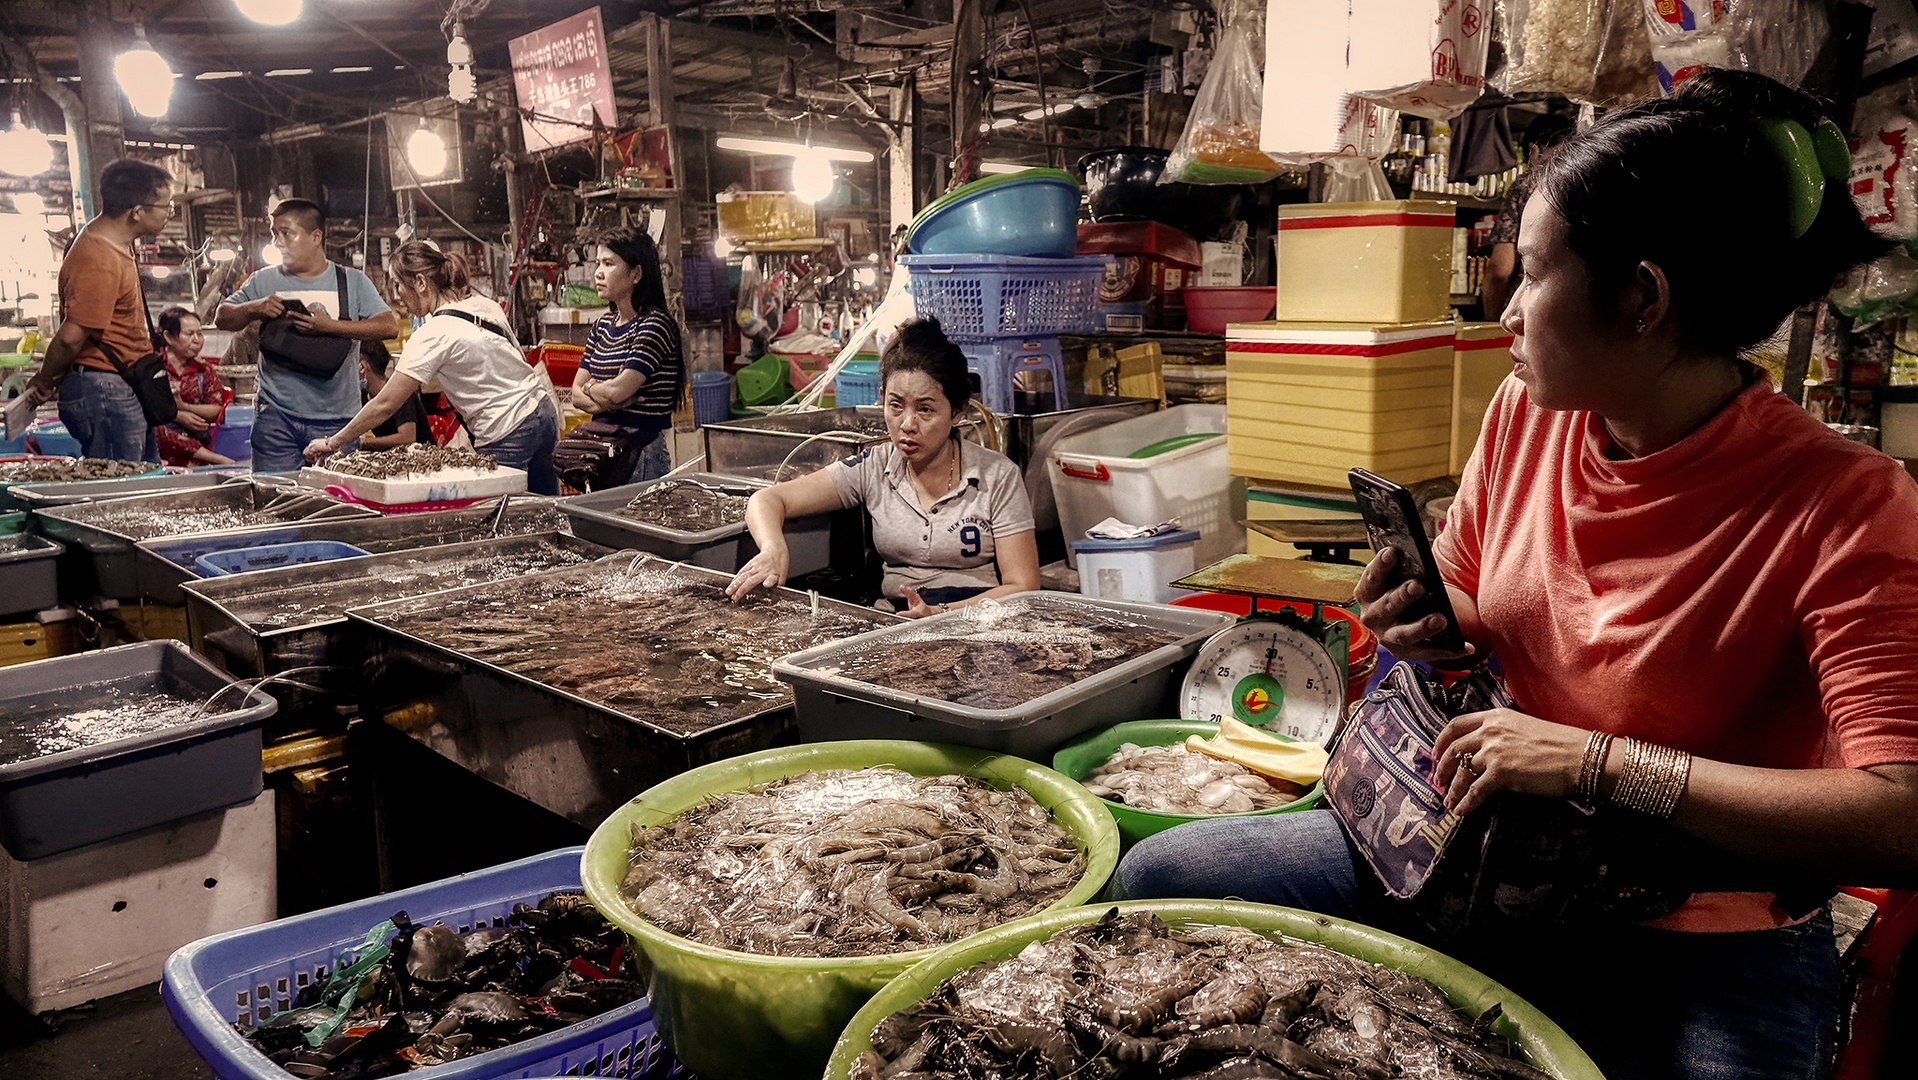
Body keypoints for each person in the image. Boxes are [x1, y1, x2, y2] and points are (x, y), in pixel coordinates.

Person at [1116, 68, 1918, 1080]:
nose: (1508, 311)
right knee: (1157, 877)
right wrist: (1422, 611)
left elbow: (1899, 816)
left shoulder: (1847, 503)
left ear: (1641, 298)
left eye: (1534, 274)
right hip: (1481, 858)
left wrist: (1597, 763)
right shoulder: (1528, 412)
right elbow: (1467, 591)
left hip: (1704, 930)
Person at [726, 318, 1039, 616]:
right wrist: (772, 548)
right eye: (896, 405)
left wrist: (940, 613)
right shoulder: (873, 467)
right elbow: (767, 500)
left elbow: (1023, 585)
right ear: (882, 399)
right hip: (895, 621)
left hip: (978, 622)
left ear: (957, 412)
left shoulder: (998, 476)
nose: (907, 424)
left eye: (926, 409)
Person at [302, 241, 560, 495]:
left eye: (398, 284)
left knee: (504, 516)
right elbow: (515, 358)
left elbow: (385, 404)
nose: (396, 294)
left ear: (421, 283)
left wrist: (333, 442)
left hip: (507, 429)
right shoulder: (486, 306)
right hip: (543, 413)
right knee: (548, 507)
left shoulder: (433, 334)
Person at [215, 198, 397, 471]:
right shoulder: (263, 281)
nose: (278, 242)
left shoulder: (352, 281)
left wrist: (328, 326)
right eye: (275, 234)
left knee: (337, 507)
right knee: (274, 500)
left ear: (315, 237)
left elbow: (388, 326)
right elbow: (222, 317)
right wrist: (255, 307)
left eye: (286, 233)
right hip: (276, 416)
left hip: (338, 422)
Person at [22, 158, 176, 461]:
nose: (170, 214)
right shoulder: (99, 257)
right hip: (103, 390)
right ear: (137, 212)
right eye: (167, 207)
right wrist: (44, 378)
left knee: (143, 484)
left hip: (119, 384)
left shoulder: (118, 243)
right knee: (119, 492)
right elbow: (70, 337)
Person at [558, 226, 684, 489]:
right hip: (603, 450)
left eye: (609, 263)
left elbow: (619, 390)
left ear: (636, 274)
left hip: (639, 454)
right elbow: (577, 394)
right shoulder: (602, 326)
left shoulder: (654, 326)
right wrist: (606, 398)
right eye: (597, 263)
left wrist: (597, 390)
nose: (598, 272)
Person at [1477, 112, 1575, 317]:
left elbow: (1501, 270)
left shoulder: (1526, 187)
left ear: (1535, 150)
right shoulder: (1590, 185)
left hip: (1532, 312)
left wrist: (1491, 322)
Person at [152, 305, 234, 467]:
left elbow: (216, 410)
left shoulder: (204, 370)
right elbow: (146, 407)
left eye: (199, 333)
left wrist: (185, 407)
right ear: (168, 337)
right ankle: (215, 459)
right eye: (189, 334)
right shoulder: (153, 367)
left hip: (195, 436)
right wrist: (178, 415)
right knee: (155, 428)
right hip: (161, 447)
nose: (197, 340)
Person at [355, 340, 430, 450]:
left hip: (422, 458)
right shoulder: (364, 394)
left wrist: (364, 442)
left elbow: (408, 437)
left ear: (363, 366)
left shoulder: (400, 393)